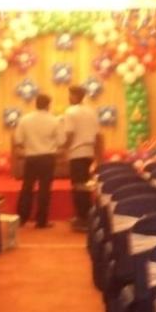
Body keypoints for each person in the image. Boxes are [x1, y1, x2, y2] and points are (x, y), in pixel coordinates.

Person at [14, 93, 62, 229]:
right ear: (48, 105)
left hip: (31, 158)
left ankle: (22, 218)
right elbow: (61, 140)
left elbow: (18, 140)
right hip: (47, 158)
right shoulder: (54, 120)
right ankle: (41, 221)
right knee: (44, 189)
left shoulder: (25, 119)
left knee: (27, 188)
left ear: (36, 104)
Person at [60, 85, 102, 232]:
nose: (69, 97)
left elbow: (70, 134)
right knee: (85, 187)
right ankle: (87, 216)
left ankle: (82, 219)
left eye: (70, 94)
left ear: (76, 96)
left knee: (78, 187)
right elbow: (98, 136)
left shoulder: (70, 111)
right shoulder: (92, 111)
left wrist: (64, 150)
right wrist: (98, 156)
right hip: (88, 153)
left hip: (76, 153)